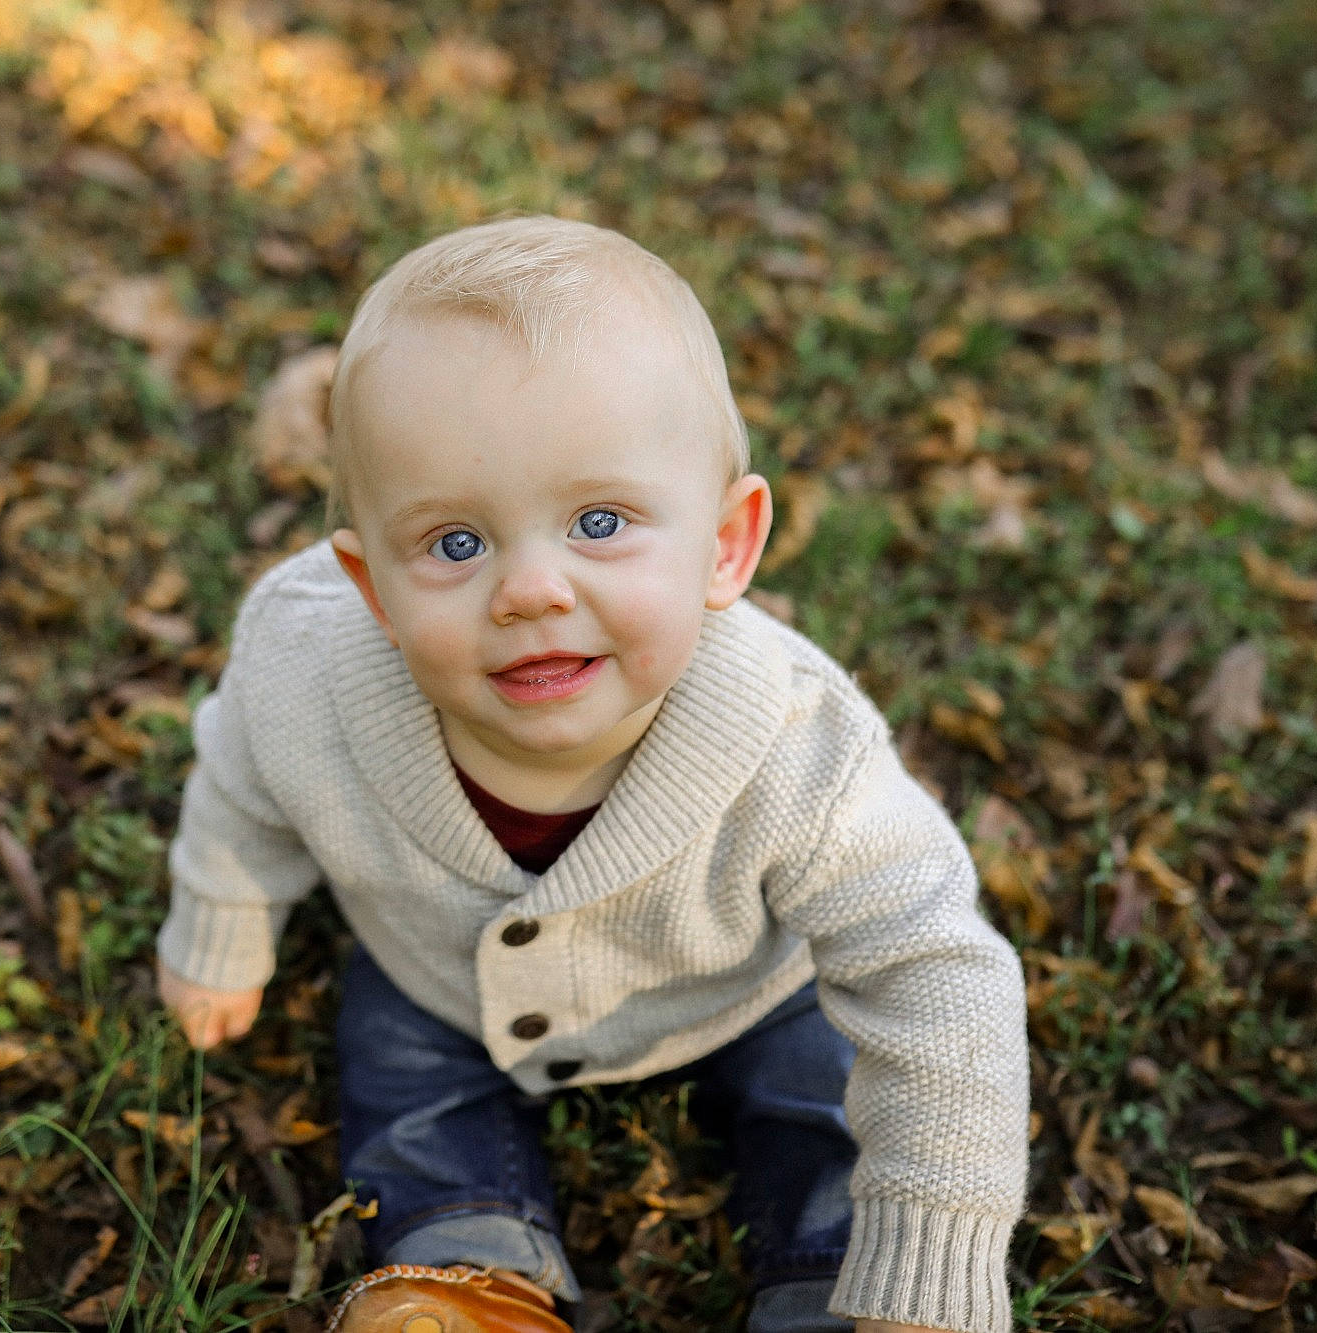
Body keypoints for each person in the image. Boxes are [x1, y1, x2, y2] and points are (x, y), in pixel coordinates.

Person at [155, 216, 1028, 1333]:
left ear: (723, 545)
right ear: (371, 588)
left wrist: (935, 1267)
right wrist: (221, 920)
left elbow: (933, 970)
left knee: (821, 1092)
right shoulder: (305, 664)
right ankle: (463, 1267)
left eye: (599, 522)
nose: (529, 589)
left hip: (740, 989)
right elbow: (240, 777)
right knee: (402, 1079)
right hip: (442, 977)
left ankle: (834, 1278)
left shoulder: (797, 747)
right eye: (456, 543)